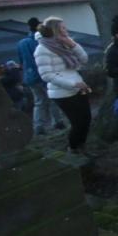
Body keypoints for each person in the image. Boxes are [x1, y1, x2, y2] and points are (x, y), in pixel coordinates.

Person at [34, 16, 92, 153]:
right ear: (55, 30)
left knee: (87, 119)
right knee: (77, 122)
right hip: (61, 92)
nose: (66, 31)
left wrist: (74, 45)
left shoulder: (66, 43)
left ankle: (82, 147)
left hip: (79, 87)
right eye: (63, 28)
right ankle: (73, 148)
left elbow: (84, 59)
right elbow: (46, 75)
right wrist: (73, 84)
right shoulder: (42, 49)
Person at [17, 17, 65, 134]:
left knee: (39, 101)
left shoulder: (21, 43)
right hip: (43, 75)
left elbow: (21, 62)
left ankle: (39, 126)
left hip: (30, 77)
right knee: (53, 98)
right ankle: (57, 121)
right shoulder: (41, 41)